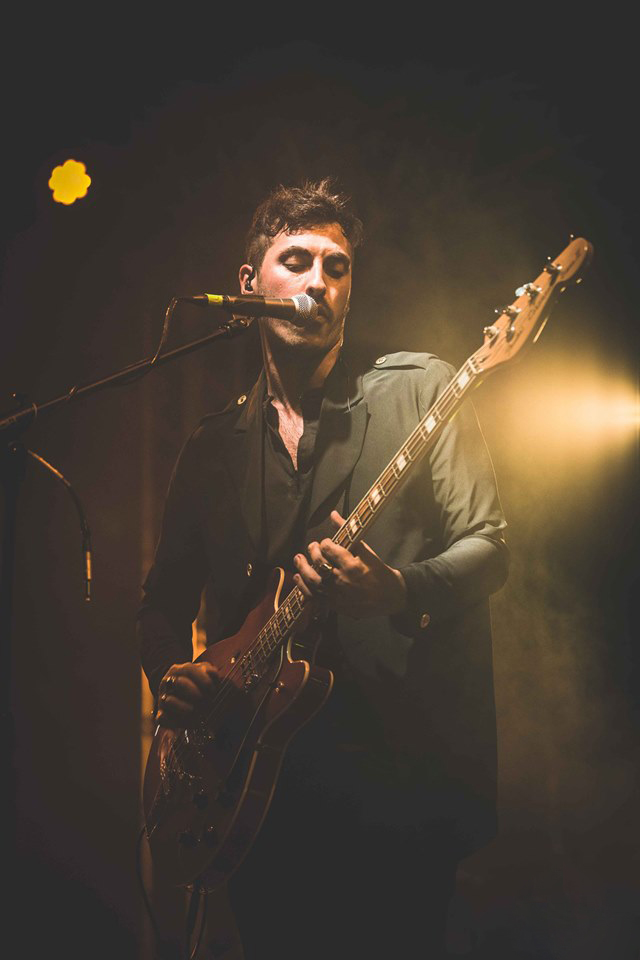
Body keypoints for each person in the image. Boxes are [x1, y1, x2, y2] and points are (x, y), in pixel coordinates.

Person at [138, 179, 509, 959]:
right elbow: (160, 602)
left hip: (396, 781)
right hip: (255, 788)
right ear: (249, 284)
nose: (319, 282)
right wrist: (177, 674)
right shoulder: (212, 447)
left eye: (337, 268)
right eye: (297, 261)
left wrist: (398, 589)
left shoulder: (420, 388)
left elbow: (489, 544)